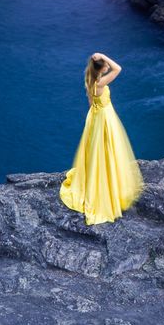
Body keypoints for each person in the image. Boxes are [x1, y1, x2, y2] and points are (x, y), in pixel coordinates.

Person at [59, 50, 144, 224]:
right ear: (102, 67)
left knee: (96, 149)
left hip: (95, 116)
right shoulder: (100, 83)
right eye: (105, 65)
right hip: (105, 117)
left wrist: (97, 59)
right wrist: (104, 56)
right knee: (108, 147)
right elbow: (118, 68)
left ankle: (98, 174)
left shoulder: (89, 79)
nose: (107, 66)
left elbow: (91, 103)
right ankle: (107, 181)